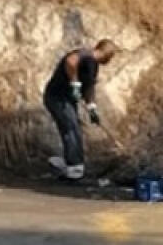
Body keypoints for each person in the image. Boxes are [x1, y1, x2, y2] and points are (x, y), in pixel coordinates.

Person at [42, 39, 119, 180]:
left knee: (74, 127)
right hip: (56, 97)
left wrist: (92, 108)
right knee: (70, 127)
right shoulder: (85, 54)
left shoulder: (93, 66)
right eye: (111, 57)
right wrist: (75, 83)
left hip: (68, 100)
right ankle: (74, 167)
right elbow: (71, 61)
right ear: (107, 54)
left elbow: (89, 88)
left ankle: (75, 166)